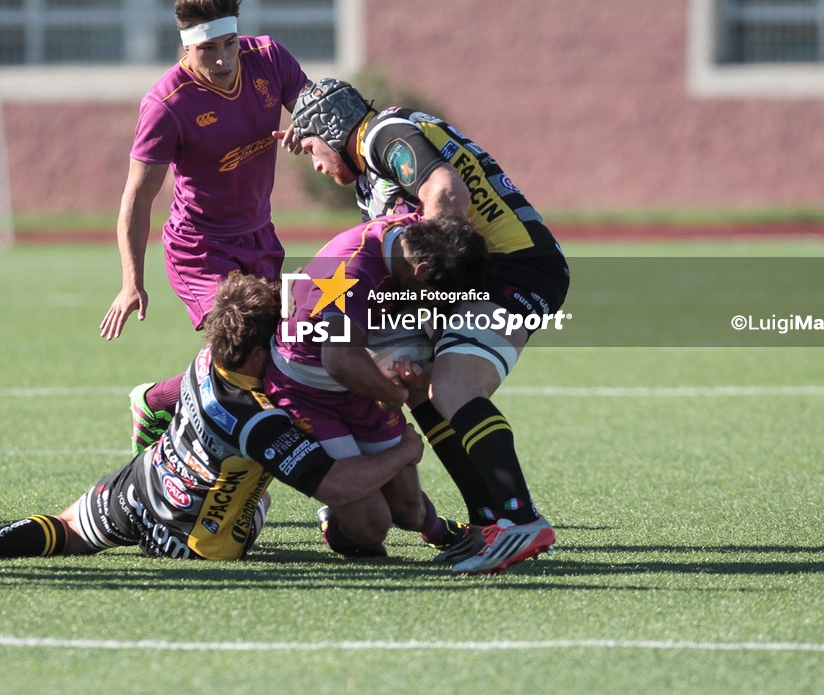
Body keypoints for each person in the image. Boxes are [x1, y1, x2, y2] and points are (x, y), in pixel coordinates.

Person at [0, 275, 426, 563]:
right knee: (278, 497)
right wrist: (405, 448)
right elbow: (338, 483)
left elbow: (163, 396)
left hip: (143, 486)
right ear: (260, 353)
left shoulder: (207, 359)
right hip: (200, 541)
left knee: (67, 529)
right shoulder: (263, 421)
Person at [286, 78, 571, 574]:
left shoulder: (381, 136)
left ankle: (521, 519)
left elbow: (446, 190)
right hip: (485, 270)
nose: (314, 162)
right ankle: (487, 522)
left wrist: (433, 284)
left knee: (453, 384)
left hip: (513, 266)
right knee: (411, 380)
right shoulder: (375, 159)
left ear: (331, 130)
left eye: (311, 148)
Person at [97, 0, 309, 454]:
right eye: (207, 48)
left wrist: (306, 130)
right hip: (201, 247)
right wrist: (131, 281)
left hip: (259, 236)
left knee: (274, 354)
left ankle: (155, 401)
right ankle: (212, 455)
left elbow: (318, 114)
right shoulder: (166, 104)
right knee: (247, 347)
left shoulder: (269, 58)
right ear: (186, 46)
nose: (222, 60)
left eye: (229, 44)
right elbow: (137, 197)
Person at [263, 212, 494, 563]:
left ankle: (436, 529)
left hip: (358, 375)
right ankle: (336, 523)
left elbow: (446, 195)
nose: (432, 306)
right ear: (419, 272)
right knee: (372, 528)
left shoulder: (413, 233)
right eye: (434, 295)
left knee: (408, 511)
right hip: (307, 391)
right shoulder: (352, 273)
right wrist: (397, 394)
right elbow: (338, 361)